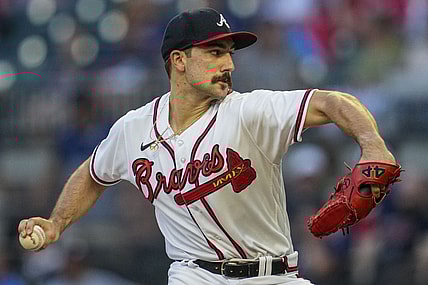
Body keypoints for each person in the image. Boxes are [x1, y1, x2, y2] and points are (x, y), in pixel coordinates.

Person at [18, 8, 396, 285]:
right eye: (215, 53)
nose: (229, 63)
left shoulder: (250, 111)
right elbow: (93, 172)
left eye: (230, 52)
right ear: (179, 61)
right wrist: (56, 223)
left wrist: (373, 145)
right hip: (193, 275)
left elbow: (331, 102)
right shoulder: (132, 129)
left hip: (274, 275)